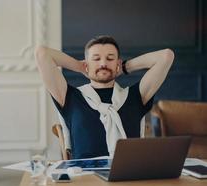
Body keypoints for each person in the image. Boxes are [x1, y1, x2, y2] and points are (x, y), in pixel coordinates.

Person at [34, 35, 174, 159]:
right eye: (96, 59)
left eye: (110, 58)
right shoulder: (69, 97)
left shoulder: (136, 95)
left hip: (128, 177)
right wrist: (81, 67)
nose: (103, 64)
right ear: (87, 64)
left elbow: (166, 56)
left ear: (117, 63)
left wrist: (125, 67)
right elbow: (42, 53)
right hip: (85, 179)